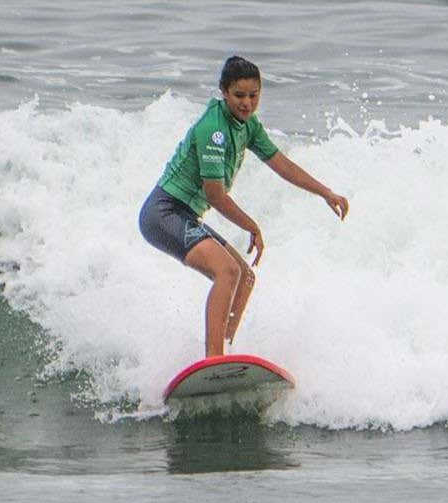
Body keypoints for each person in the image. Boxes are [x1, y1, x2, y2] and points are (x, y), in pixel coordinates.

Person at [139, 56, 350, 358]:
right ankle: (214, 360)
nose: (247, 103)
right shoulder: (214, 129)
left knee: (244, 277)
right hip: (163, 212)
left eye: (254, 95)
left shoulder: (247, 125)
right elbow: (215, 195)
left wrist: (325, 192)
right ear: (224, 92)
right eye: (239, 95)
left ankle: (224, 351)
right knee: (226, 271)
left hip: (185, 214)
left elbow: (282, 164)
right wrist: (252, 226)